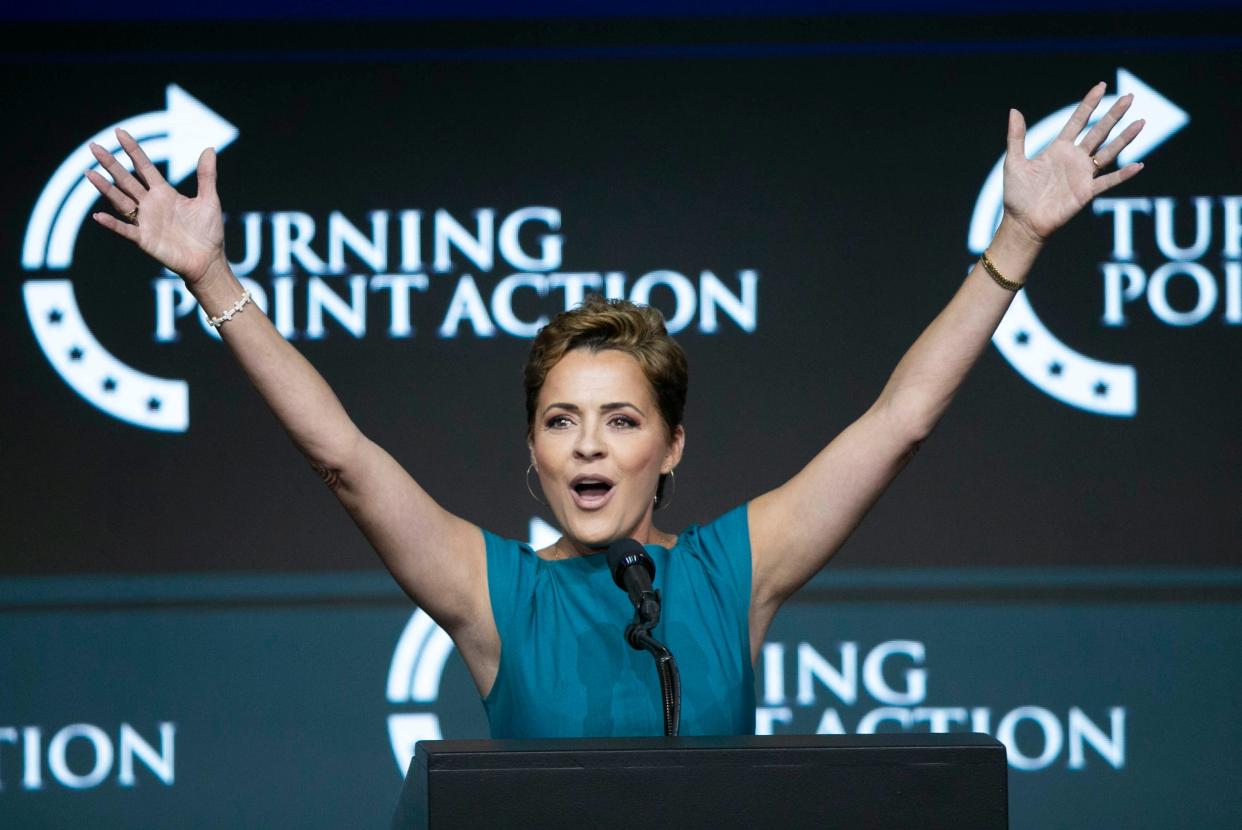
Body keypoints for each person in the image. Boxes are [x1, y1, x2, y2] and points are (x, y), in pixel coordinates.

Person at [86, 83, 1145, 738]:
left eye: (622, 419)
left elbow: (899, 419)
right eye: (561, 419)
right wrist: (210, 278)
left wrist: (1016, 243)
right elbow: (345, 457)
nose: (589, 442)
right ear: (533, 451)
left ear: (672, 444)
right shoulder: (492, 592)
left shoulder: (736, 569)